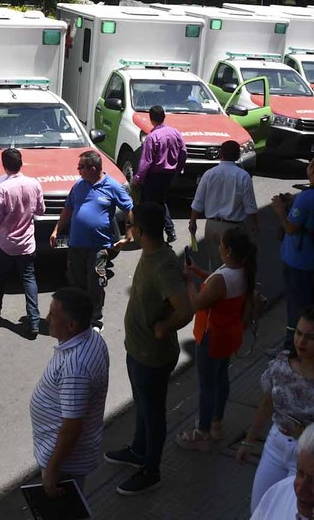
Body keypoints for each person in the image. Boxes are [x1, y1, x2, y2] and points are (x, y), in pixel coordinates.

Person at [104, 202, 193, 496]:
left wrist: (164, 328)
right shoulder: (152, 252)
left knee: (153, 415)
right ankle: (138, 450)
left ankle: (150, 470)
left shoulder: (164, 264)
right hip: (138, 351)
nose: (129, 230)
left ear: (140, 231)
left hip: (153, 357)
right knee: (141, 405)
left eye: (130, 226)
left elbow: (185, 309)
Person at [237, 307, 314, 512]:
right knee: (261, 509)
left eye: (310, 337)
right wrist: (248, 441)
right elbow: (267, 404)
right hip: (276, 446)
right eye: (298, 333)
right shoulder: (281, 366)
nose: (301, 342)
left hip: (312, 458)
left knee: (291, 513)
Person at [175, 228, 258, 452]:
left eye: (221, 244)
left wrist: (189, 281)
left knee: (207, 385)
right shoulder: (241, 271)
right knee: (221, 379)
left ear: (229, 250)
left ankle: (202, 432)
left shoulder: (224, 278)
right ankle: (216, 423)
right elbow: (216, 284)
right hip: (229, 334)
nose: (219, 247)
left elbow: (198, 302)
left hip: (212, 336)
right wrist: (199, 272)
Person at [30, 288, 110, 495]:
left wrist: (52, 471)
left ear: (72, 325)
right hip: (69, 455)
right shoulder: (92, 337)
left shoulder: (76, 367)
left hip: (66, 463)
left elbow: (71, 428)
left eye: (53, 315)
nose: (46, 318)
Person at [50, 150, 134, 328]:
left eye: (81, 167)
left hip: (98, 246)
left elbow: (129, 210)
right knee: (75, 282)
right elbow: (68, 209)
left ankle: (95, 318)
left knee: (95, 282)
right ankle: (78, 317)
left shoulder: (112, 186)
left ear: (93, 168)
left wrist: (129, 235)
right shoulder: (79, 185)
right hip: (76, 245)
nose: (78, 170)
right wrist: (56, 230)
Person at [0, 148, 46, 338]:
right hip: (27, 243)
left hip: (5, 243)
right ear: (21, 163)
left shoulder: (2, 189)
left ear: (4, 165)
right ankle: (34, 320)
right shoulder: (34, 184)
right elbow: (41, 210)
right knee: (29, 279)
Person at [272, 155, 314, 350]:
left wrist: (280, 210)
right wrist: (294, 201)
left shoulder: (308, 197)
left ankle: (291, 346)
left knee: (296, 307)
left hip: (299, 261)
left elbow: (291, 227)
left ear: (313, 171)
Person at [189, 140, 259, 269]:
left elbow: (198, 202)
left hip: (211, 225)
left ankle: (213, 286)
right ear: (238, 155)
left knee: (214, 264)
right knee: (233, 265)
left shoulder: (209, 174)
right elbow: (250, 206)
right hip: (232, 228)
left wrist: (193, 221)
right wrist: (254, 225)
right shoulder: (243, 176)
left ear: (220, 154)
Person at [133, 105, 186, 242]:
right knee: (160, 201)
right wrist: (178, 169)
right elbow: (183, 153)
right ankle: (167, 230)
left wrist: (138, 177)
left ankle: (159, 233)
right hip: (168, 175)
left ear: (151, 119)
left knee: (154, 205)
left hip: (154, 176)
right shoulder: (175, 133)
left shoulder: (152, 137)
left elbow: (146, 161)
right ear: (164, 117)